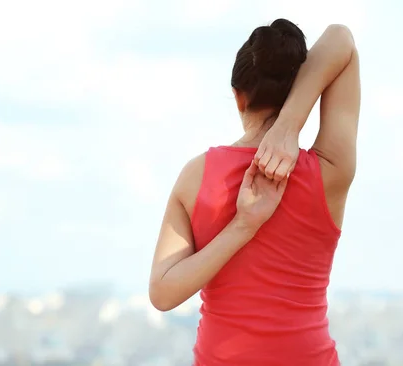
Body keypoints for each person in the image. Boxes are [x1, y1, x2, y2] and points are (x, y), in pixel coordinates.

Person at [149, 18, 360, 366]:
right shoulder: (329, 170)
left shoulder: (196, 175)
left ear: (237, 96)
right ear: (300, 88)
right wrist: (290, 124)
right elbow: (341, 40)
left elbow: (162, 293)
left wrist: (241, 228)